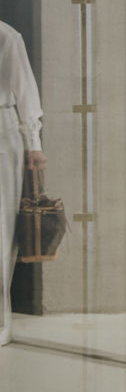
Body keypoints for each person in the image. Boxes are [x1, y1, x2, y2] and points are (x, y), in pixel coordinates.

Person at [0, 21, 45, 346]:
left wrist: (34, 145)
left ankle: (1, 319)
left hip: (2, 134)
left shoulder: (6, 36)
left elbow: (25, 92)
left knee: (0, 230)